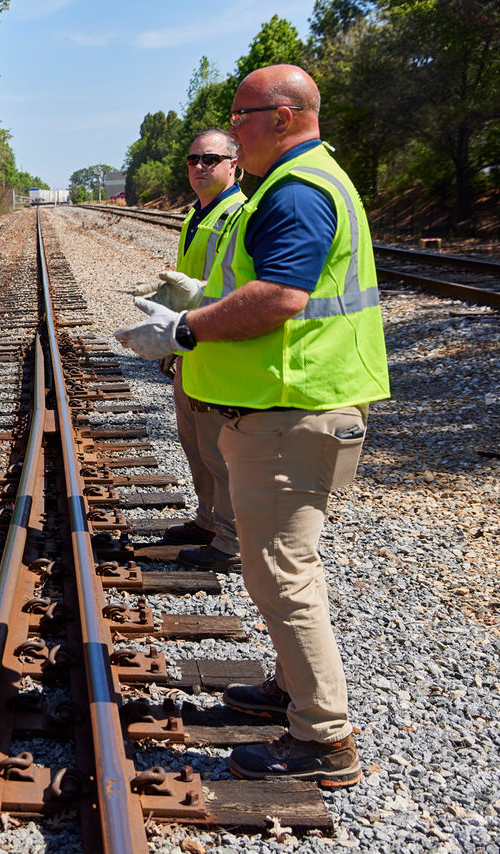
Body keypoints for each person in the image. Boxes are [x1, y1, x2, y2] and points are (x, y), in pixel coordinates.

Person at [113, 64, 389, 788]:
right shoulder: (307, 180)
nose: (230, 128)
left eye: (241, 114)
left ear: (284, 117)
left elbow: (283, 297)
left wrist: (187, 331)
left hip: (291, 412)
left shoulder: (296, 190)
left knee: (282, 576)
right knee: (280, 570)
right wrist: (200, 297)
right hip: (297, 405)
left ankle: (325, 739)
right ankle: (291, 690)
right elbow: (277, 287)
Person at [134, 130, 246, 570]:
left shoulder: (237, 215)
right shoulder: (196, 215)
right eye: (193, 159)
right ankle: (207, 520)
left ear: (233, 165)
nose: (200, 166)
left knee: (220, 450)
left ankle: (231, 541)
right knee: (194, 443)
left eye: (211, 159)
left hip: (218, 349)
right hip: (191, 347)